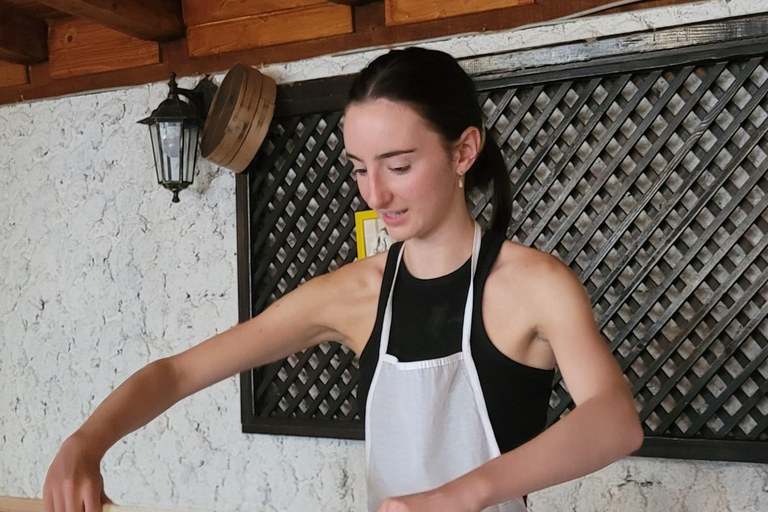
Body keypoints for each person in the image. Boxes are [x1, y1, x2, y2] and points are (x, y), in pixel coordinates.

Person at [44, 47, 643, 512]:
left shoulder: (536, 284)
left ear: (464, 152)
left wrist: (463, 494)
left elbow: (615, 420)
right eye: (360, 168)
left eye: (399, 166)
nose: (375, 195)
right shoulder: (352, 295)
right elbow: (175, 373)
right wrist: (86, 442)